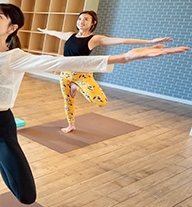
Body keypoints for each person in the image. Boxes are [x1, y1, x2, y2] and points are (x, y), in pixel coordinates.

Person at [0, 3, 187, 207]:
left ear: (12, 28)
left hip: (1, 125)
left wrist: (124, 57)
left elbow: (62, 62)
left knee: (26, 195)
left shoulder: (15, 57)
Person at [38, 11, 172, 133]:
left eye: (85, 19)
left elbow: (122, 41)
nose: (81, 21)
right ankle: (71, 124)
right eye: (79, 19)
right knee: (68, 101)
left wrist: (149, 41)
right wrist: (46, 30)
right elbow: (55, 32)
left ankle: (76, 87)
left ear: (93, 23)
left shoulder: (94, 39)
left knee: (101, 101)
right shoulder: (69, 36)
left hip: (82, 75)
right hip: (65, 74)